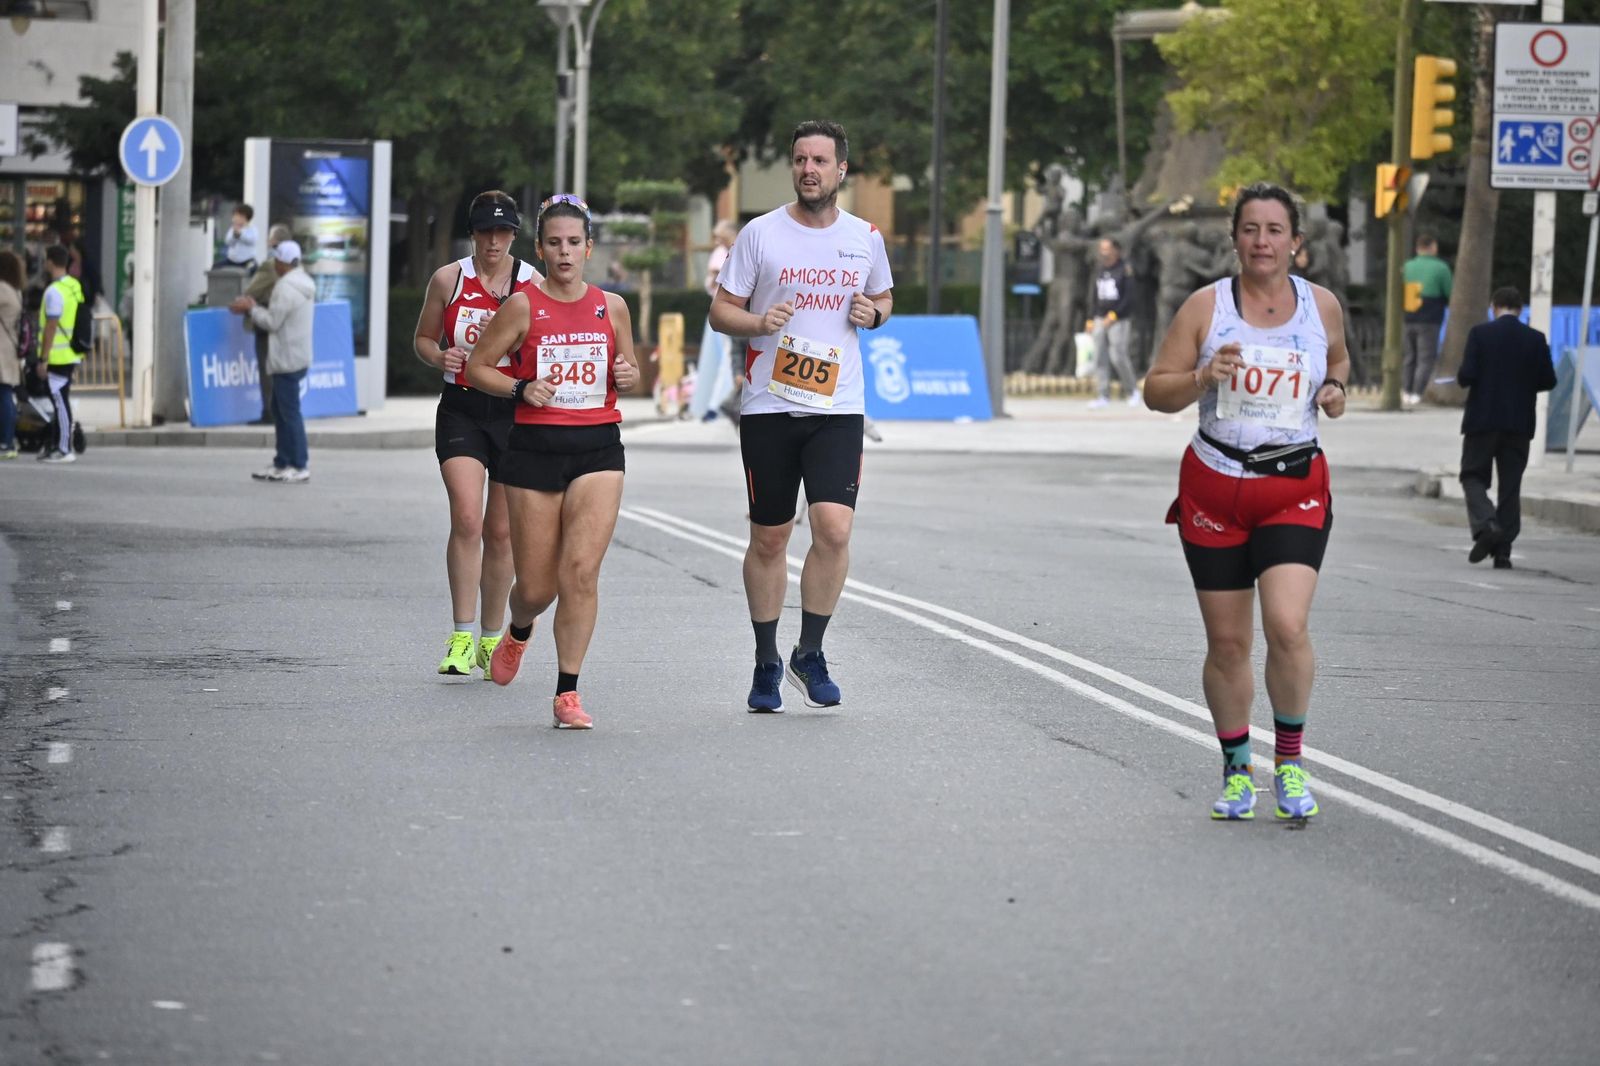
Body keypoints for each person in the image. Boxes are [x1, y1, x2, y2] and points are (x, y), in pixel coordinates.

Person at [1143, 182, 1350, 822]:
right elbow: (1155, 391)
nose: (1263, 241)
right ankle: (1237, 771)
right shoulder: (1206, 308)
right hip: (1215, 486)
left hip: (1293, 486)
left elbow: (1339, 361)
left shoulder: (1321, 306)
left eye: (1275, 230)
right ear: (1235, 239)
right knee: (1229, 643)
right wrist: (1201, 377)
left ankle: (1289, 763)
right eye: (1251, 229)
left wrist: (1336, 388)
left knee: (1287, 625)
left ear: (1296, 242)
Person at [708, 119, 894, 713]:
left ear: (842, 170)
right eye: (800, 160)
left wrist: (874, 313)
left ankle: (808, 652)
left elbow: (883, 297)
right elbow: (720, 312)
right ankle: (766, 660)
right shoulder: (760, 234)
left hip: (838, 405)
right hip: (770, 404)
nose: (808, 169)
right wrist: (757, 322)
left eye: (819, 160)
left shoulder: (865, 236)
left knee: (833, 529)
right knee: (770, 536)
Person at [465, 195, 641, 729]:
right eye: (554, 243)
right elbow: (477, 368)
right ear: (540, 250)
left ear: (589, 248)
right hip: (534, 452)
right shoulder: (522, 306)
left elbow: (628, 369)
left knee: (581, 572)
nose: (565, 252)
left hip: (598, 449)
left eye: (574, 243)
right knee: (538, 588)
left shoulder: (612, 306)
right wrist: (520, 388)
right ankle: (519, 628)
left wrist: (629, 375)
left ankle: (568, 692)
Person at [413, 190, 541, 678]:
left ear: (514, 235)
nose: (493, 241)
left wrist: (511, 344)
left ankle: (491, 639)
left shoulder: (532, 284)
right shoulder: (449, 279)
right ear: (472, 234)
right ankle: (461, 635)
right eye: (485, 231)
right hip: (462, 407)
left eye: (503, 232)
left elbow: (544, 348)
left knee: (501, 531)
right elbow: (424, 339)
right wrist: (438, 356)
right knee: (467, 518)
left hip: (511, 408)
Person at [1456, 286, 1555, 570]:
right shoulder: (1535, 339)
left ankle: (1487, 524)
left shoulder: (1480, 334)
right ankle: (1503, 552)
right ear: (1520, 310)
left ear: (1493, 306)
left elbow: (1466, 375)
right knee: (1510, 486)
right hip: (1519, 424)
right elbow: (1548, 380)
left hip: (1482, 421)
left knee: (1472, 475)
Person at [235, 240, 315, 483]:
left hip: (285, 358)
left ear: (282, 263)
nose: (275, 265)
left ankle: (298, 464)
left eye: (277, 261)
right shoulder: (305, 282)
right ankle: (282, 462)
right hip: (298, 356)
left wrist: (252, 308)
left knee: (288, 413)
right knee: (282, 411)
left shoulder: (285, 288)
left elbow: (271, 322)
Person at [34, 245, 86, 464]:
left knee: (60, 401)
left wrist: (43, 358)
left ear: (50, 262)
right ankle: (58, 444)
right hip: (71, 351)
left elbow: (51, 326)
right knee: (60, 400)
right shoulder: (73, 286)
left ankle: (64, 448)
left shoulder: (54, 292)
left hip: (57, 355)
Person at [239, 224, 295, 425]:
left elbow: (251, 291)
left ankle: (269, 412)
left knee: (267, 368)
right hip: (289, 324)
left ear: (274, 242)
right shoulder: (297, 266)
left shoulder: (271, 266)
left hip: (267, 321)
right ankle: (283, 410)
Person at [689, 220, 740, 423]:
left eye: (721, 236)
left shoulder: (744, 248)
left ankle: (719, 404)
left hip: (738, 312)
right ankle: (714, 404)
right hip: (720, 312)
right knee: (721, 358)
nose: (718, 240)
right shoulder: (720, 253)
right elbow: (711, 282)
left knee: (730, 358)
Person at [1087, 237, 1141, 408]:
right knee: (1099, 356)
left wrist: (1115, 315)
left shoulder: (1124, 269)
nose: (1103, 252)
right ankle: (1103, 394)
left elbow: (1129, 296)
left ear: (1115, 251)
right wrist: (1090, 318)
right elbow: (1093, 294)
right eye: (1101, 249)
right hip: (1100, 317)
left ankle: (1132, 391)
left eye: (1107, 249)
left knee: (1118, 355)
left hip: (1118, 319)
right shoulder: (1099, 269)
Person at [1401, 233, 1452, 405]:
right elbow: (1449, 292)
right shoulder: (1441, 268)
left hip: (1409, 315)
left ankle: (1406, 391)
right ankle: (1417, 392)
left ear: (1417, 248)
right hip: (1430, 317)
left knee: (1409, 356)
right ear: (1433, 247)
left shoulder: (1407, 266)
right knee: (1425, 357)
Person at [0, 250, 25, 460]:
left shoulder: (2, 289)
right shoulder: (16, 291)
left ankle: (5, 441)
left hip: (1, 348)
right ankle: (7, 440)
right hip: (9, 347)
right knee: (6, 393)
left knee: (4, 394)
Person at [219, 203, 260, 269]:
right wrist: (235, 235)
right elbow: (228, 242)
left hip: (247, 261)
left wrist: (240, 235)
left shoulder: (252, 229)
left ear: (245, 217)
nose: (235, 218)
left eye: (238, 216)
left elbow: (252, 241)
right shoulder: (232, 229)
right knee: (215, 267)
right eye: (234, 215)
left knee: (253, 269)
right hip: (231, 260)